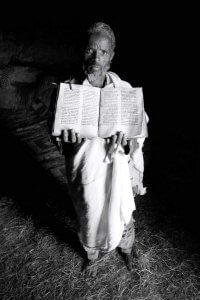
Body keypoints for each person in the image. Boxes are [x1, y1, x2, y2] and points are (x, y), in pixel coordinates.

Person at [49, 22, 148, 276]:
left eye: (103, 52)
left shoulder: (123, 90)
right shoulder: (67, 91)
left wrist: (128, 142)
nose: (96, 58)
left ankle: (127, 251)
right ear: (82, 52)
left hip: (117, 174)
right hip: (85, 173)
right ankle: (92, 254)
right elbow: (57, 135)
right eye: (91, 50)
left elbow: (138, 133)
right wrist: (66, 141)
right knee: (89, 215)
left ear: (111, 57)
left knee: (122, 215)